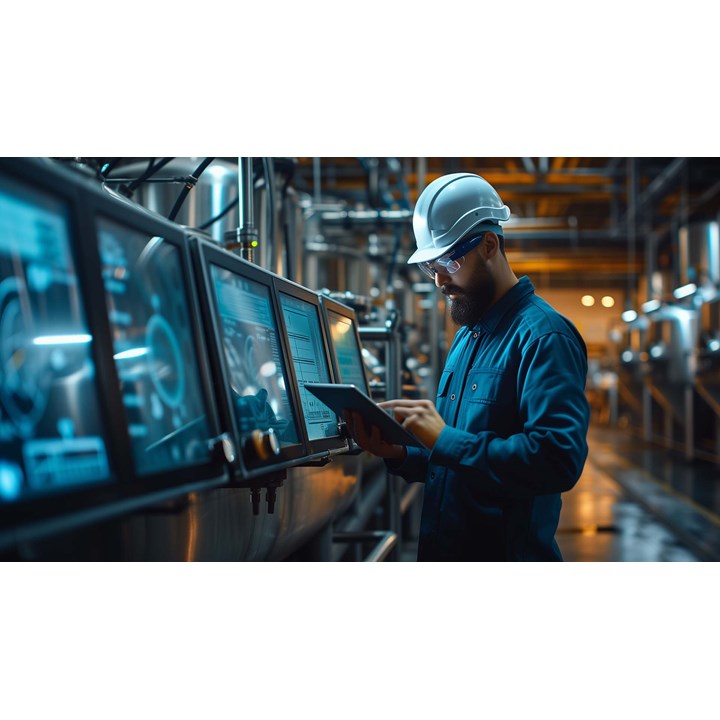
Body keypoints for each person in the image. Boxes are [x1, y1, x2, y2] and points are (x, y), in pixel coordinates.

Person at [344, 172, 590, 561]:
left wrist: (444, 440)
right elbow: (458, 460)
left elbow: (557, 459)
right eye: (431, 266)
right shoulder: (466, 338)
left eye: (448, 261)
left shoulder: (544, 337)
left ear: (489, 244)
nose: (439, 279)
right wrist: (400, 453)